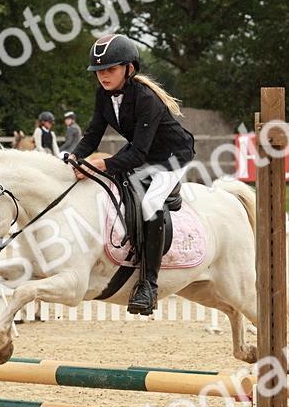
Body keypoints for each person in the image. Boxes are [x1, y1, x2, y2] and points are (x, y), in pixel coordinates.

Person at [67, 33, 196, 316]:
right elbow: (92, 135)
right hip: (144, 151)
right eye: (99, 71)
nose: (103, 76)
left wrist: (100, 165)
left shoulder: (146, 98)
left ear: (129, 68)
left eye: (110, 69)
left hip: (171, 155)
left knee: (150, 204)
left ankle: (148, 285)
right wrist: (75, 157)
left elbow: (136, 155)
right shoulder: (103, 95)